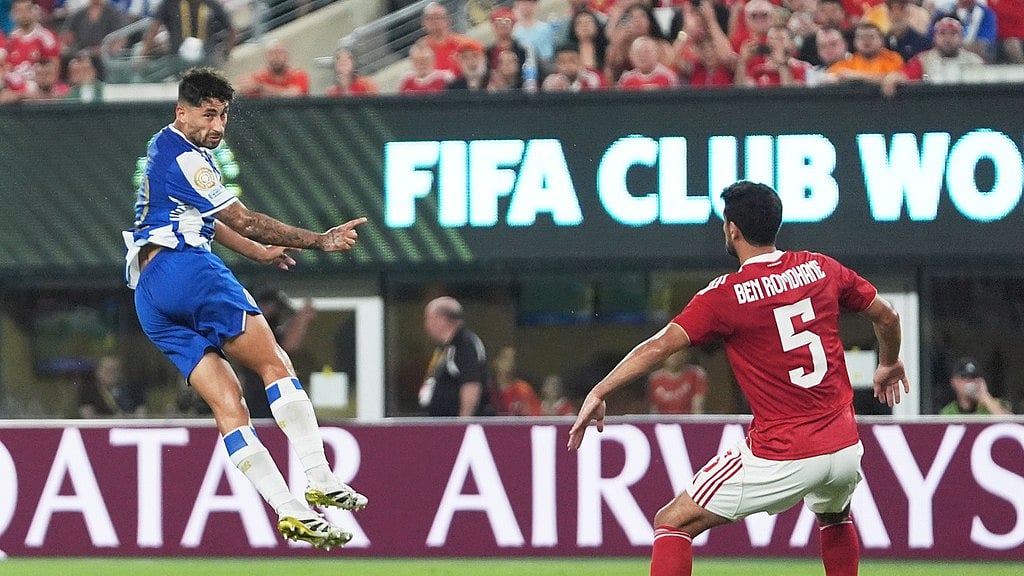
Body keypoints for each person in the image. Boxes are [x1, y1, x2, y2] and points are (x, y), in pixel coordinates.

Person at [568, 180, 909, 576]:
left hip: (783, 451)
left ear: (732, 229)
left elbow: (658, 348)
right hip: (844, 446)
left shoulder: (726, 296)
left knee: (673, 521)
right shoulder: (821, 267)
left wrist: (599, 390)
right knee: (835, 516)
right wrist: (888, 362)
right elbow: (887, 316)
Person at [122, 68, 368, 549]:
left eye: (223, 115)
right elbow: (245, 220)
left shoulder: (162, 147)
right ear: (181, 112)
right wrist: (319, 240)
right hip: (187, 269)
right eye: (207, 115)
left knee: (229, 404)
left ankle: (288, 507)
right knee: (275, 363)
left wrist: (258, 254)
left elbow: (209, 220)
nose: (217, 126)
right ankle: (318, 475)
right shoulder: (190, 159)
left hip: (149, 296)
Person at [239, 289, 317, 419]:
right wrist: (301, 318)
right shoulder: (253, 330)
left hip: (276, 400)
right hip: (259, 403)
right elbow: (288, 345)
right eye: (275, 307)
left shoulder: (270, 329)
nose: (279, 313)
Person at [419, 296, 494, 417]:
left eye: (429, 318)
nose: (426, 324)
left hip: (455, 424)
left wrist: (463, 421)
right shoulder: (446, 347)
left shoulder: (464, 344)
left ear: (442, 319)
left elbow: (471, 384)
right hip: (441, 422)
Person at [880, 16, 983, 96]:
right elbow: (904, 76)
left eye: (953, 34)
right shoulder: (924, 60)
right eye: (942, 33)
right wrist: (892, 78)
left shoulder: (974, 61)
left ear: (961, 37)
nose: (947, 39)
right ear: (935, 37)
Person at [139, 0, 236, 68]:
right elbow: (154, 28)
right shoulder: (170, 3)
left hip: (205, 59)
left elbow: (231, 29)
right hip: (177, 60)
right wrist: (143, 55)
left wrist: (226, 54)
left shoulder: (211, 4)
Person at [828, 21, 904, 83]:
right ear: (855, 42)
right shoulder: (849, 62)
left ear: (881, 40)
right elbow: (833, 75)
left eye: (871, 37)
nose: (866, 41)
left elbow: (895, 78)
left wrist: (856, 76)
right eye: (861, 37)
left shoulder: (892, 58)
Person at [236, 39, 310, 98]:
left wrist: (261, 88)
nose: (276, 57)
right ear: (266, 57)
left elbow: (294, 95)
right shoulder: (258, 77)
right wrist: (241, 90)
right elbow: (239, 92)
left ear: (287, 56)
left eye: (280, 53)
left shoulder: (299, 75)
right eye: (272, 53)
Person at [939, 357, 1012, 415]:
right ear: (954, 382)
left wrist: (986, 398)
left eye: (973, 377)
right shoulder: (948, 412)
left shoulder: (994, 404)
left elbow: (1011, 426)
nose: (970, 381)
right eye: (964, 377)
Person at [647, 349, 707, 415]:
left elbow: (698, 407)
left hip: (687, 420)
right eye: (670, 354)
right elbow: (653, 408)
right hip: (663, 421)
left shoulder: (696, 374)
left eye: (678, 353)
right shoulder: (654, 378)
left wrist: (696, 421)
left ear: (685, 355)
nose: (674, 357)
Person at [491, 345, 543, 416]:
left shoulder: (523, 389)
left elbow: (535, 416)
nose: (510, 363)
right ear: (496, 361)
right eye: (505, 358)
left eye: (513, 359)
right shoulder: (487, 390)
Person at [418, 1, 467, 75]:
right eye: (430, 18)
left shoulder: (462, 43)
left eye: (438, 17)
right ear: (423, 23)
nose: (435, 21)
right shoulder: (422, 47)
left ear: (448, 20)